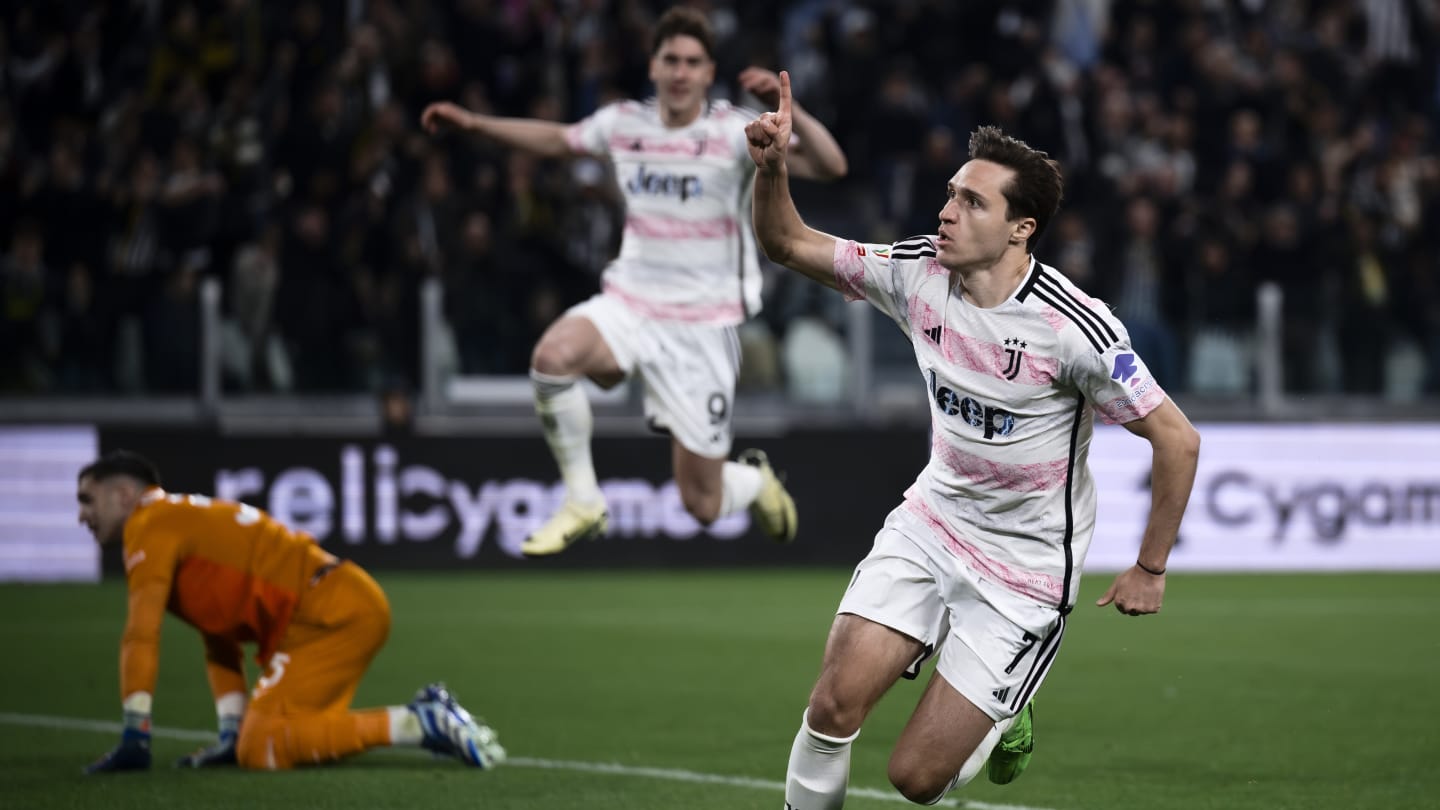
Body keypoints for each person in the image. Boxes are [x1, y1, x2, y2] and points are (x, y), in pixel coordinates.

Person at [745, 74, 1201, 808]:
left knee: (916, 779)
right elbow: (786, 242)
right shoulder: (918, 273)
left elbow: (1177, 439)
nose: (946, 211)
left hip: (1024, 570)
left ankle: (1006, 713)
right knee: (831, 707)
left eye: (972, 202)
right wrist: (771, 171)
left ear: (1021, 228)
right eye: (951, 193)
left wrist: (1150, 567)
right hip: (933, 524)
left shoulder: (1074, 329)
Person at [420, 7, 848, 556]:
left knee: (702, 503)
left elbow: (832, 166)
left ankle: (754, 482)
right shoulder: (623, 124)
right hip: (631, 302)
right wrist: (477, 125)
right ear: (653, 67)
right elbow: (557, 139)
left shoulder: (733, 132)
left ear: (708, 71)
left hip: (702, 325)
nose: (680, 72)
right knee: (552, 358)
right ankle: (582, 500)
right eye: (671, 60)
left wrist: (795, 113)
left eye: (692, 62)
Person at [77, 450, 507, 773]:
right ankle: (424, 715)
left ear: (123, 494)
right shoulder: (177, 517)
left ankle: (420, 723)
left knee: (263, 744)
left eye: (88, 500)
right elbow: (218, 636)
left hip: (326, 613)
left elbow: (141, 633)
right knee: (272, 736)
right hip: (338, 602)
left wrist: (135, 732)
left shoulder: (149, 524)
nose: (82, 515)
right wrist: (230, 731)